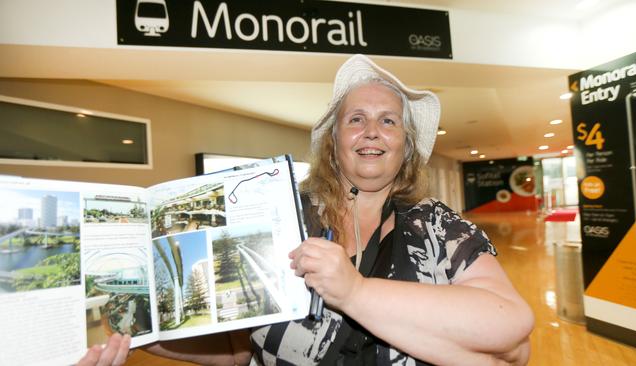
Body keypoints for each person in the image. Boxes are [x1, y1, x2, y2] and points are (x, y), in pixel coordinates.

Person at [80, 54, 533, 365]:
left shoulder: (439, 226)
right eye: (356, 119)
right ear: (334, 144)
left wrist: (353, 291)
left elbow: (511, 328)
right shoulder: (280, 217)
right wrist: (133, 338)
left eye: (388, 120)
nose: (371, 131)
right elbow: (240, 348)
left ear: (406, 147)